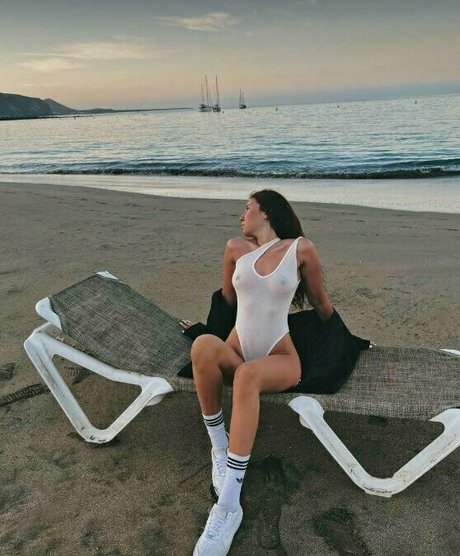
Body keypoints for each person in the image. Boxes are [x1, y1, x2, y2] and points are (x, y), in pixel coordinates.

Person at [189, 189, 335, 556]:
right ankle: (220, 449)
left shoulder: (300, 249)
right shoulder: (235, 248)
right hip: (237, 350)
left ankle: (228, 506)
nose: (242, 216)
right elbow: (227, 302)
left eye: (247, 208)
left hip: (279, 356)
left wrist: (344, 342)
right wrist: (202, 329)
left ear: (266, 212)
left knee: (248, 376)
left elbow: (320, 303)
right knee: (203, 345)